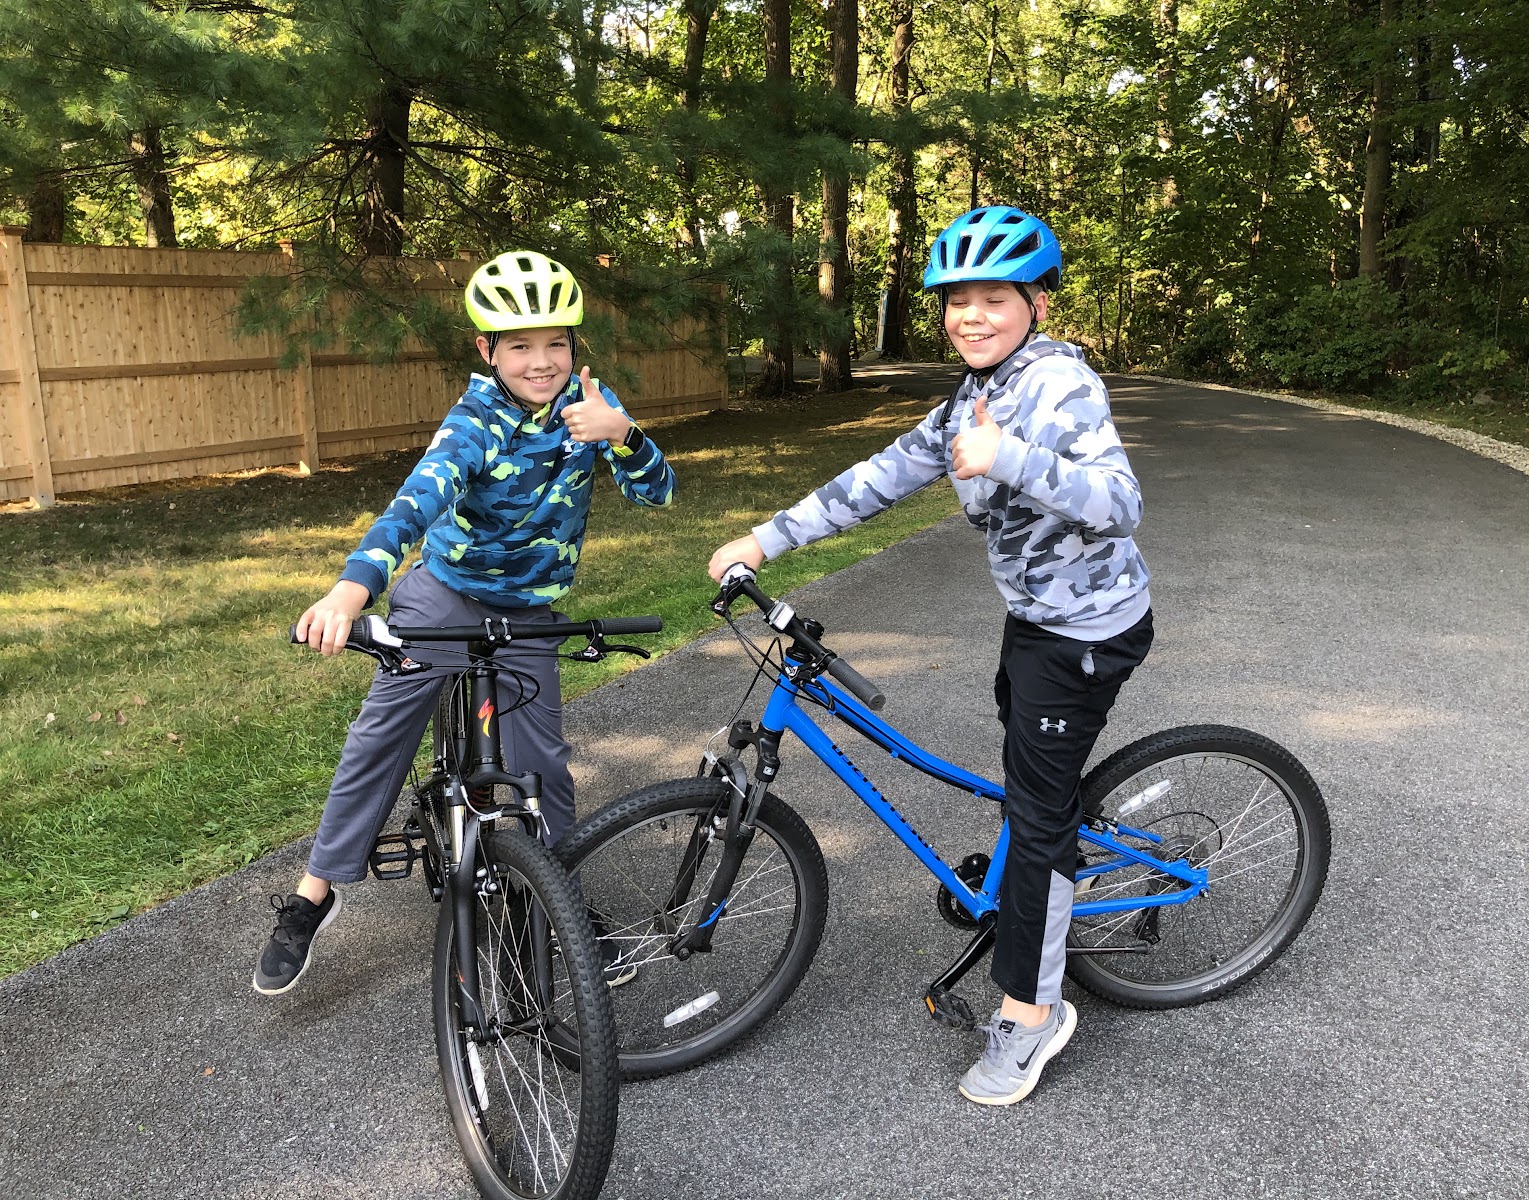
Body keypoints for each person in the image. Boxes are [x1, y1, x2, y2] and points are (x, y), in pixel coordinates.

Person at [707, 206, 1152, 1106]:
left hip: (1087, 632)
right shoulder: (968, 397)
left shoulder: (1059, 382)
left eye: (996, 298)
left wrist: (1011, 456)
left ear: (1037, 302)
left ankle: (1031, 1016)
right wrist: (764, 538)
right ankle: (1047, 856)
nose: (972, 316)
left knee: (1037, 823)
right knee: (1033, 786)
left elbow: (1120, 502)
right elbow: (881, 477)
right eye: (957, 301)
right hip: (1035, 623)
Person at [255, 250, 676, 996]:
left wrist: (624, 434)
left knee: (544, 766)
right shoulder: (474, 421)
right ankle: (313, 894)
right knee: (381, 736)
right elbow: (412, 505)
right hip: (443, 599)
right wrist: (351, 592)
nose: (541, 361)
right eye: (520, 345)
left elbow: (659, 493)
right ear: (487, 351)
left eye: (556, 343)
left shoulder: (592, 404)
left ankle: (560, 902)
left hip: (529, 614)